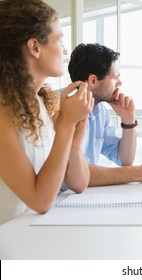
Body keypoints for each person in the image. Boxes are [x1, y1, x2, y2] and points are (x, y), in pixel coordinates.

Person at [0, 0, 94, 224]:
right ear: (35, 47)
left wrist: (73, 143)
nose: (65, 50)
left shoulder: (41, 102)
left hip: (29, 235)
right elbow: (40, 200)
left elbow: (79, 184)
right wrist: (65, 127)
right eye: (60, 39)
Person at [67, 43, 142, 187]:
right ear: (93, 81)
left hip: (80, 198)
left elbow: (124, 160)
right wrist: (140, 173)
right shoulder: (60, 109)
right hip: (55, 202)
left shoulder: (99, 111)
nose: (119, 83)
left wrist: (128, 120)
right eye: (115, 77)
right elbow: (76, 173)